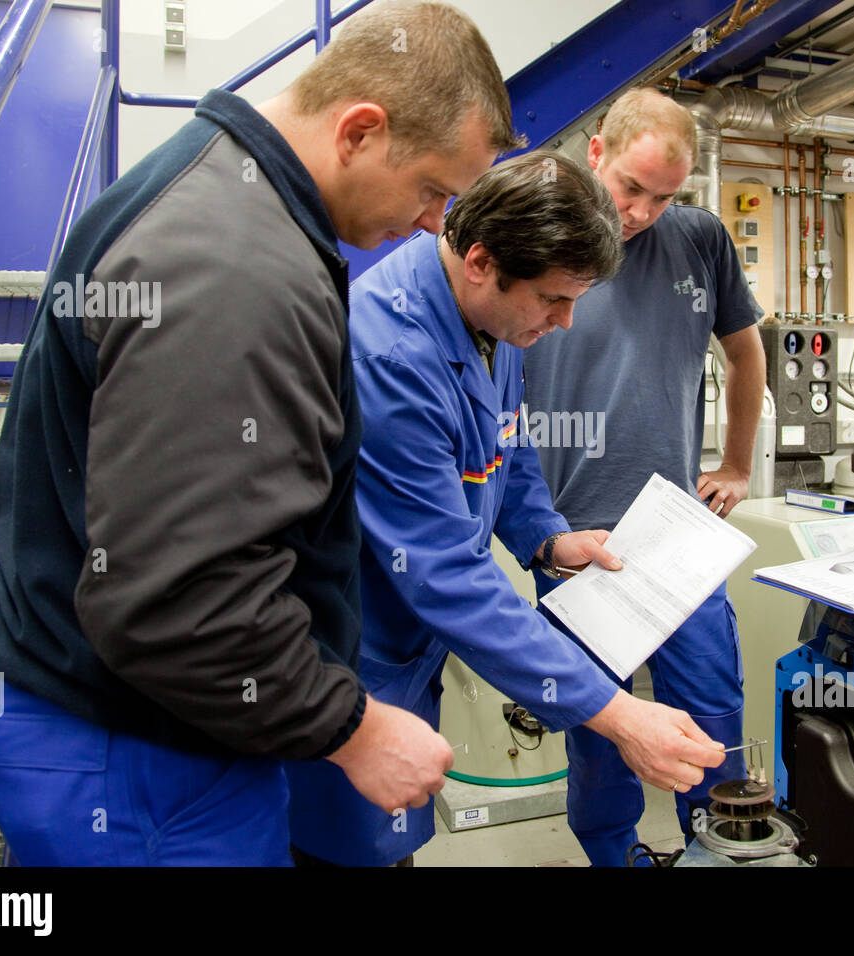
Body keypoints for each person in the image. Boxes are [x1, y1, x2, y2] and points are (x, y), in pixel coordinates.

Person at [0, 1, 520, 866]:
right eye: (433, 191)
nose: (430, 225)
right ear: (360, 131)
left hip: (151, 732)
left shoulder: (226, 197)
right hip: (139, 763)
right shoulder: (234, 269)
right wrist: (353, 729)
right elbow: (180, 601)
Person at [285, 151, 728, 867]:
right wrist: (615, 713)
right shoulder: (392, 357)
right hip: (352, 653)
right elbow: (447, 576)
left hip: (405, 648)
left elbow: (507, 445)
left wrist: (549, 541)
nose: (566, 320)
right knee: (342, 848)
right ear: (481, 261)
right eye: (555, 299)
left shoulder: (494, 322)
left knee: (389, 843)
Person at [521, 87, 768, 866]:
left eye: (665, 195)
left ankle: (726, 848)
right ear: (595, 152)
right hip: (575, 542)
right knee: (602, 734)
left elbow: (745, 353)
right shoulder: (539, 240)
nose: (643, 211)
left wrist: (735, 463)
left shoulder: (699, 242)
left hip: (675, 537)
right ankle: (612, 854)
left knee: (712, 718)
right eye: (632, 187)